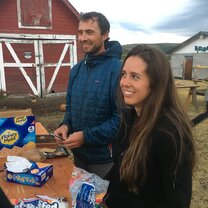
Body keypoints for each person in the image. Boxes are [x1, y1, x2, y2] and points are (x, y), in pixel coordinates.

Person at [102, 45, 195, 207]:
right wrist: (96, 188)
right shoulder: (128, 118)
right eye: (124, 74)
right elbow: (120, 168)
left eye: (135, 77)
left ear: (155, 82)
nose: (124, 83)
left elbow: (177, 201)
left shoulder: (169, 134)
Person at [54, 12, 122, 178]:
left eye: (89, 32)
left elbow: (121, 119)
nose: (82, 37)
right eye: (80, 32)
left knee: (105, 202)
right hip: (78, 155)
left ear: (105, 35)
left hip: (105, 160)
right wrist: (65, 125)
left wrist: (86, 136)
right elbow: (71, 107)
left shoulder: (118, 70)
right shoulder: (76, 70)